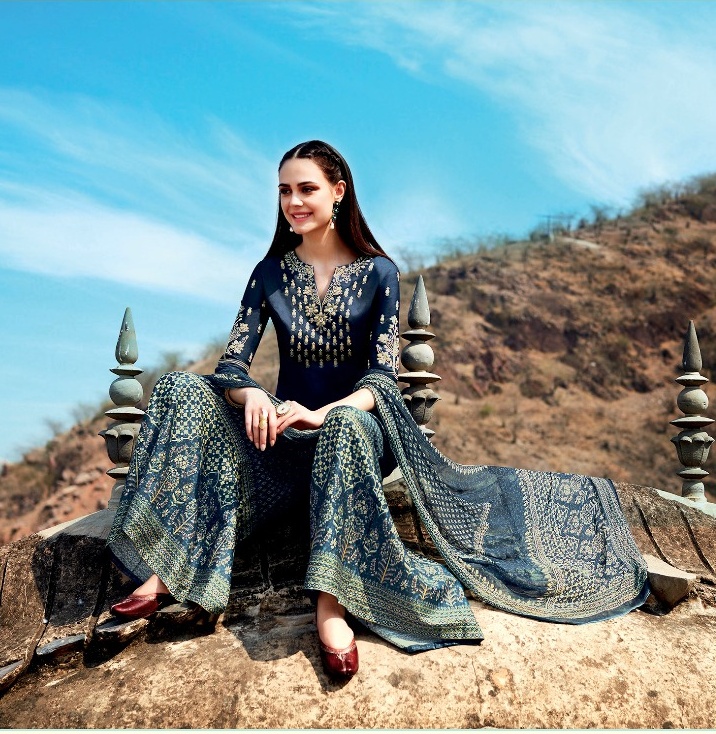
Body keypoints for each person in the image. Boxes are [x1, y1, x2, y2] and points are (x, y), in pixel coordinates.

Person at [107, 140, 649, 680]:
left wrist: (325, 413)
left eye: (306, 189)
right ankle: (170, 567)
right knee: (179, 387)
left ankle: (331, 603)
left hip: (357, 429)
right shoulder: (268, 273)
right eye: (284, 191)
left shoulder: (379, 273)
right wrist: (251, 396)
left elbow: (382, 377)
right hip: (287, 433)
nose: (293, 202)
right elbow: (232, 363)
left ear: (338, 192)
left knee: (344, 423)